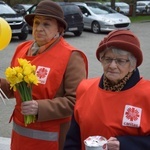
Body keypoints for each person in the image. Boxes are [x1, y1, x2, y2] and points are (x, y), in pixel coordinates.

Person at [0, 0, 88, 150]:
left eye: (46, 24)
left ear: (59, 29)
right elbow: (15, 88)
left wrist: (39, 107)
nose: (39, 28)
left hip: (51, 139)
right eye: (36, 23)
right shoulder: (22, 49)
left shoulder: (72, 56)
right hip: (19, 138)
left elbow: (76, 102)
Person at [64, 29, 150, 150]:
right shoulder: (85, 88)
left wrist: (124, 144)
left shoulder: (147, 94)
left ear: (133, 65)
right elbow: (73, 139)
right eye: (108, 59)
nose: (112, 66)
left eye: (120, 61)